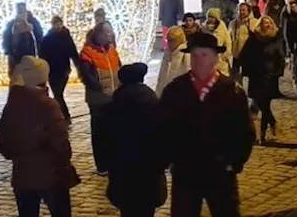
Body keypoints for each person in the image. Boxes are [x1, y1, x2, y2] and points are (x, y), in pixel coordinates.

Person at [157, 31, 256, 217]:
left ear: (215, 58)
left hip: (220, 172)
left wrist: (234, 162)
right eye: (194, 55)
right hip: (186, 172)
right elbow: (163, 128)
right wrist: (170, 159)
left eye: (204, 55)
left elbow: (244, 131)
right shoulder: (176, 90)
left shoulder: (232, 91)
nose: (198, 60)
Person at [0, 56, 80, 217]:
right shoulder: (48, 105)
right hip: (51, 175)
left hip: (22, 176)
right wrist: (63, 162)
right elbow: (60, 143)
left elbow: (3, 143)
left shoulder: (13, 104)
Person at [105, 63, 166, 217]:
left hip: (123, 170)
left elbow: (105, 140)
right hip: (149, 171)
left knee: (128, 209)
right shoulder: (153, 102)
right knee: (146, 209)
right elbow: (163, 136)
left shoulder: (114, 104)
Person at [80, 20, 121, 176]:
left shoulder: (112, 50)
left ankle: (113, 161)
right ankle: (102, 165)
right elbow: (86, 76)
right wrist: (99, 87)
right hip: (98, 99)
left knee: (112, 132)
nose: (110, 35)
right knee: (99, 133)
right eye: (106, 32)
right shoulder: (87, 52)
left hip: (113, 97)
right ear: (98, 35)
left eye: (110, 31)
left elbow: (119, 68)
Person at [239, 15, 286, 143]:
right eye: (265, 23)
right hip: (256, 75)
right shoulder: (254, 38)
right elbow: (243, 55)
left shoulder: (276, 38)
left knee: (265, 103)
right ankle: (273, 122)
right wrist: (247, 68)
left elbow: (281, 56)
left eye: (269, 23)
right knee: (260, 102)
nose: (268, 25)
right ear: (260, 25)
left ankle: (262, 135)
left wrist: (279, 72)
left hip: (270, 76)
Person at [38, 15, 83, 120]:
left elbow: (73, 53)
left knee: (58, 94)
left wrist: (79, 67)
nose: (57, 26)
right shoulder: (47, 39)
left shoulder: (66, 38)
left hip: (63, 70)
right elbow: (42, 54)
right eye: (55, 24)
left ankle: (62, 115)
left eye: (59, 24)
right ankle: (62, 116)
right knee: (58, 94)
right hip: (52, 71)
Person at [230, 3, 259, 82]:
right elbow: (230, 38)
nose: (241, 12)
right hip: (237, 54)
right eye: (239, 10)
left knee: (250, 76)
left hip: (249, 54)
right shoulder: (233, 23)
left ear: (248, 11)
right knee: (236, 76)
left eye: (243, 10)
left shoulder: (255, 22)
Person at [157, 26, 191, 93]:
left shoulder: (187, 54)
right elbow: (161, 76)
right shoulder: (167, 53)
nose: (169, 43)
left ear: (180, 40)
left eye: (172, 40)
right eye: (168, 40)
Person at [205, 9, 235, 76]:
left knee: (223, 78)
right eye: (209, 17)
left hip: (221, 58)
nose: (210, 19)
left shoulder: (222, 27)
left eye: (212, 17)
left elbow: (228, 41)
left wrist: (226, 53)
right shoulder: (204, 29)